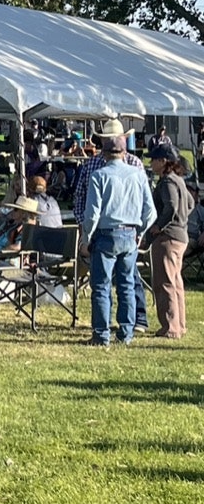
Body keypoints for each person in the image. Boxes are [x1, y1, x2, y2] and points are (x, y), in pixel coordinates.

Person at [72, 118, 151, 333]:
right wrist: (140, 233)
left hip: (105, 233)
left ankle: (102, 332)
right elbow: (150, 211)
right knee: (126, 284)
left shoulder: (98, 173)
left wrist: (86, 237)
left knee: (101, 286)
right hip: (130, 232)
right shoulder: (136, 171)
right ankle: (126, 331)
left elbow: (92, 212)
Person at [146, 145, 193, 339]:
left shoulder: (166, 182)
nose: (151, 163)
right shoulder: (179, 180)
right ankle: (179, 324)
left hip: (168, 238)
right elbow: (189, 203)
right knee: (176, 282)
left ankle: (170, 327)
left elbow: (171, 206)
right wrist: (182, 220)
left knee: (164, 282)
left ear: (164, 161)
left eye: (154, 159)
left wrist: (160, 225)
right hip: (181, 236)